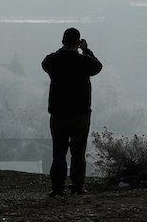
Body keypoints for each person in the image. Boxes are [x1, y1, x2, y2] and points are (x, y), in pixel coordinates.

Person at [42, 27, 103, 197]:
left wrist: (63, 50)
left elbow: (45, 62)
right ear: (78, 43)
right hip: (80, 114)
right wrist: (86, 50)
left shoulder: (54, 61)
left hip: (58, 114)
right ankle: (77, 187)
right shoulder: (84, 62)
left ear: (63, 41)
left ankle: (57, 188)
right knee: (78, 154)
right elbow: (98, 66)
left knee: (58, 154)